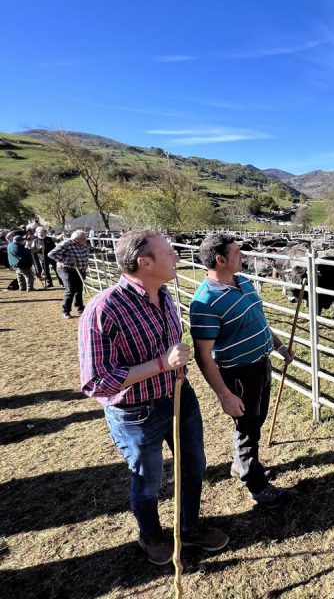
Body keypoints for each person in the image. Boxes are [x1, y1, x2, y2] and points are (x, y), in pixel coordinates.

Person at [78, 229, 228, 565]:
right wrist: (161, 364)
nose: (176, 256)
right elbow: (96, 382)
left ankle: (189, 528)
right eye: (169, 252)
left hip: (178, 396)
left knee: (194, 466)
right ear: (145, 262)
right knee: (148, 480)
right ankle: (151, 535)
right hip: (136, 411)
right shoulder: (104, 310)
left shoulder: (165, 296)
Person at [189, 234, 293, 507]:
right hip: (239, 372)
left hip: (261, 363)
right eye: (237, 253)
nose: (243, 256)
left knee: (255, 420)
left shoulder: (243, 282)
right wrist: (224, 394)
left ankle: (240, 465)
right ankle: (256, 485)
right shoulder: (205, 302)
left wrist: (279, 346)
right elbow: (203, 355)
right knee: (248, 427)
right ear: (221, 260)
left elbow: (259, 321)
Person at [48, 229, 104, 318]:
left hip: (80, 269)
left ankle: (80, 308)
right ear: (76, 239)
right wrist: (68, 260)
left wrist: (101, 249)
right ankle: (65, 310)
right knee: (70, 290)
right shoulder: (66, 243)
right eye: (84, 239)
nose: (86, 240)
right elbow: (51, 254)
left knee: (79, 289)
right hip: (66, 269)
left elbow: (90, 249)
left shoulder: (83, 244)